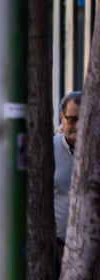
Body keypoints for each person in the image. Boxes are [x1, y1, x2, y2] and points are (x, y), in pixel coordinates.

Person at [53, 91, 82, 262]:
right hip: (59, 247)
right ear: (62, 118)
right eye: (72, 120)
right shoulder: (49, 150)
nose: (78, 125)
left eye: (83, 118)